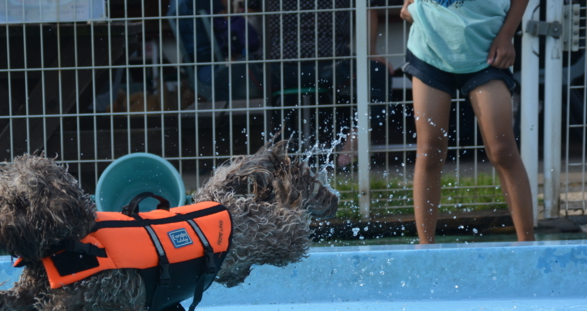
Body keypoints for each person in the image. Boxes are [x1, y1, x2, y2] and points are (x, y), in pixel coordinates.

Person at [400, 0, 535, 243]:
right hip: (430, 49)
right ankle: (425, 249)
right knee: (429, 150)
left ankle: (528, 247)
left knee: (502, 150)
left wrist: (506, 35)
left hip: (487, 51)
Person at [250, 0, 391, 164]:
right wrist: (371, 52)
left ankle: (278, 153)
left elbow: (249, 14)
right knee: (377, 72)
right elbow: (368, 9)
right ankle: (353, 139)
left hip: (276, 68)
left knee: (244, 79)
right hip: (329, 65)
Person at [168, 0, 264, 104]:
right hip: (212, 69)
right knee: (259, 74)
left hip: (199, 67)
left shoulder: (178, 4)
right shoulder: (196, 4)